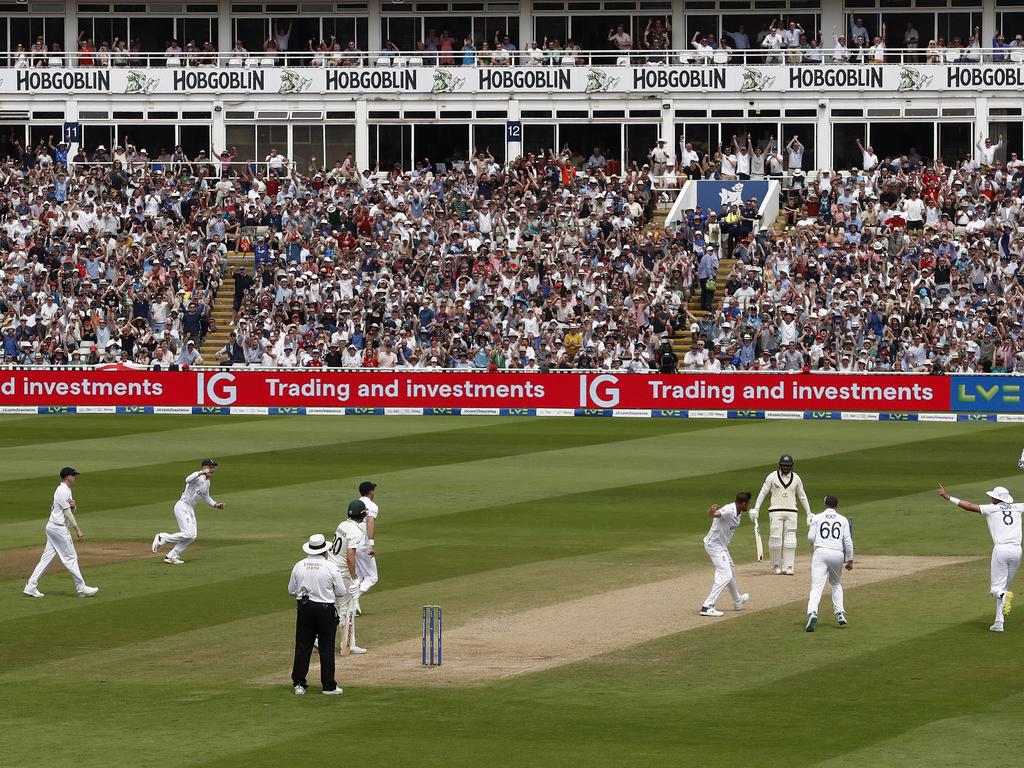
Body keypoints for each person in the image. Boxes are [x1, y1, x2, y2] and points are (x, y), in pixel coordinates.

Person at [938, 484, 1021, 633]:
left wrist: (948, 497)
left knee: (997, 590)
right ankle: (999, 622)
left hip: (1001, 550)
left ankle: (1003, 595)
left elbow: (969, 506)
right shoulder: (1017, 507)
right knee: (1004, 587)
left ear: (996, 498)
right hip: (1017, 551)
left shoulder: (991, 508)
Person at [24, 467, 99, 598]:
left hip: (53, 527)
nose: (75, 477)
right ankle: (81, 588)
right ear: (68, 477)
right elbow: (67, 513)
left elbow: (67, 509)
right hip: (58, 529)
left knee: (46, 559)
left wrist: (73, 506)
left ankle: (31, 586)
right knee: (70, 558)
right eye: (74, 475)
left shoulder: (66, 490)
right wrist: (77, 529)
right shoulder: (62, 491)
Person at [288, 533, 347, 695]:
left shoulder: (299, 565)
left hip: (304, 609)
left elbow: (291, 590)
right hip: (325, 610)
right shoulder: (330, 567)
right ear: (324, 551)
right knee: (326, 647)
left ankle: (299, 684)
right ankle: (328, 686)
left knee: (303, 646)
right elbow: (341, 592)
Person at [151, 459, 225, 565]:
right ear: (204, 468)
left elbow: (206, 496)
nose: (212, 469)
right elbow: (187, 479)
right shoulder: (197, 476)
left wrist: (215, 504)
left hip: (190, 508)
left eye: (213, 467)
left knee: (192, 536)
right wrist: (200, 472)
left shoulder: (207, 482)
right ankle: (162, 537)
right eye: (210, 467)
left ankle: (171, 556)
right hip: (182, 506)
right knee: (188, 533)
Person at [750, 454, 812, 575]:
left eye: (788, 466)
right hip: (775, 511)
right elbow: (763, 492)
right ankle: (776, 565)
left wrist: (808, 513)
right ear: (780, 465)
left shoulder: (796, 478)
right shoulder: (772, 476)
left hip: (792, 512)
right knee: (775, 539)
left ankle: (788, 566)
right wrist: (756, 508)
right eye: (784, 465)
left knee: (790, 540)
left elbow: (802, 496)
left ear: (791, 466)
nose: (786, 468)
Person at [699, 491, 752, 617]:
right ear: (742, 504)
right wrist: (711, 511)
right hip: (714, 545)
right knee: (726, 574)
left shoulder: (739, 512)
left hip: (722, 546)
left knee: (731, 570)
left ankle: (737, 600)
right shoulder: (728, 510)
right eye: (748, 504)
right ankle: (707, 606)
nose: (749, 505)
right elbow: (715, 515)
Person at [805, 495, 853, 632]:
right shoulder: (842, 520)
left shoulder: (817, 517)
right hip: (837, 554)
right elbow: (848, 542)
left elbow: (810, 538)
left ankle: (813, 612)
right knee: (836, 584)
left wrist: (810, 526)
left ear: (825, 505)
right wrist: (850, 560)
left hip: (820, 553)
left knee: (816, 587)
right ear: (836, 506)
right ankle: (840, 614)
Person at [328, 500, 369, 654]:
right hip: (342, 573)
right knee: (347, 608)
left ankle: (320, 638)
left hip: (330, 568)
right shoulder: (356, 532)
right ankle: (348, 644)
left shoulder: (342, 525)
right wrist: (354, 579)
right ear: (362, 515)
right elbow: (350, 556)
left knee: (333, 607)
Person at [354, 481, 379, 612]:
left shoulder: (355, 504)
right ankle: (354, 599)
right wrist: (371, 544)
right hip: (363, 545)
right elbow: (370, 523)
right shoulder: (372, 506)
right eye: (373, 490)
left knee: (358, 575)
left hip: (353, 545)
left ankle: (350, 603)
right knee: (372, 577)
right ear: (370, 492)